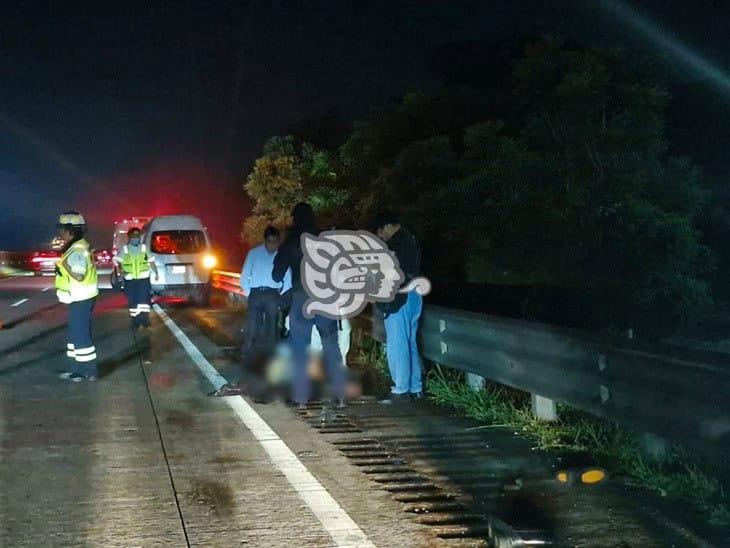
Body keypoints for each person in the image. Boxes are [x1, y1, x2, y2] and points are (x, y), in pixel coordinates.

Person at [272, 202, 346, 409]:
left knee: (300, 347)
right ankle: (338, 395)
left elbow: (276, 274)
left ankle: (301, 399)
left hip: (302, 298)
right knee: (331, 344)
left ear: (294, 219)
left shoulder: (291, 242)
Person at [213, 226, 290, 397]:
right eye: (270, 242)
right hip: (256, 293)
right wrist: (250, 294)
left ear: (278, 241)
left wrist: (281, 296)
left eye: (275, 243)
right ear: (265, 240)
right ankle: (249, 355)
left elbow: (288, 278)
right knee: (253, 327)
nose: (272, 246)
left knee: (271, 329)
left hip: (272, 293)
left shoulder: (281, 254)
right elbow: (244, 275)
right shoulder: (254, 253)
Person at [373, 212, 424, 403]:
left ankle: (400, 390)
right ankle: (415, 387)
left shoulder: (395, 245)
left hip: (399, 298)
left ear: (386, 226)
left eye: (380, 232)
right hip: (415, 295)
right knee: (410, 342)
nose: (380, 237)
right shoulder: (411, 239)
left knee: (397, 343)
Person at [55, 212, 99, 382]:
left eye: (63, 229)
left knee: (80, 335)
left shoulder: (78, 250)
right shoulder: (76, 247)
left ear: (71, 231)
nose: (61, 233)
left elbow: (79, 275)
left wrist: (65, 264)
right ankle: (76, 370)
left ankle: (88, 371)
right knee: (75, 336)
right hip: (78, 298)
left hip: (81, 298)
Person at [113, 227, 158, 328]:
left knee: (144, 301)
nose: (136, 238)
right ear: (130, 237)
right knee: (133, 301)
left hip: (143, 280)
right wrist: (121, 272)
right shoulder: (125, 249)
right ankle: (136, 321)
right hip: (130, 280)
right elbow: (118, 262)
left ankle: (145, 320)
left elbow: (151, 261)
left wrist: (156, 273)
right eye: (134, 236)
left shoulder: (144, 248)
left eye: (137, 236)